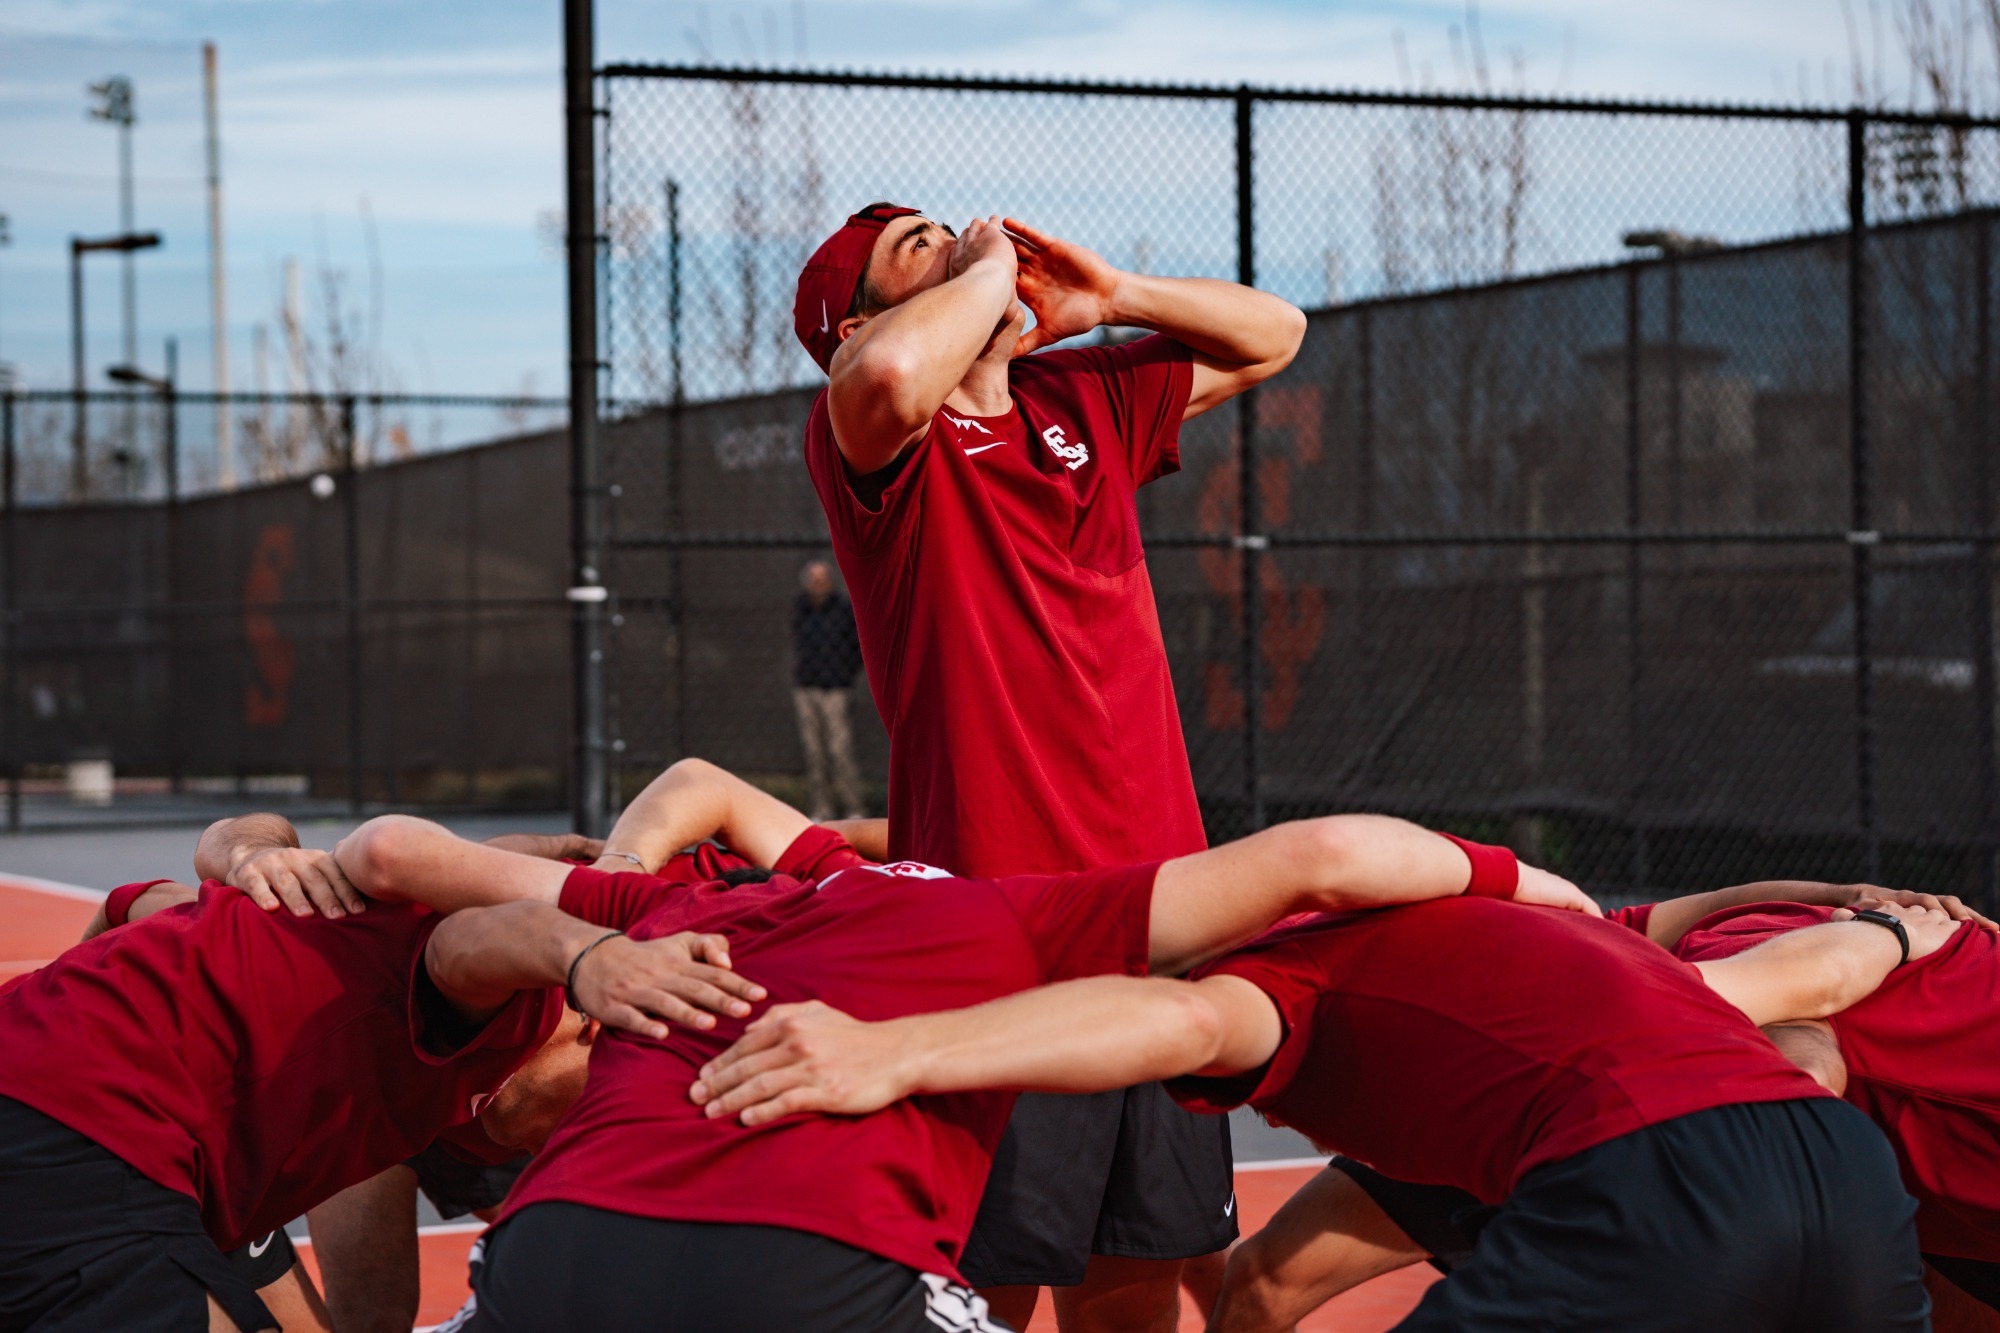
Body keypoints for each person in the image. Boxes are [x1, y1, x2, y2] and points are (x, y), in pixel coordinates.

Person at [352, 798, 1590, 1329]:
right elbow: (1325, 853)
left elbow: (399, 854)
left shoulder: (679, 902)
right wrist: (1538, 885)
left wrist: (580, 956)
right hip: (810, 1273)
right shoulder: (1004, 914)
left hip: (562, 1252)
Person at [796, 200, 1306, 1329]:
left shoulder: (1081, 398)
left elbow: (1276, 332)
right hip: (999, 929)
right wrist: (979, 277)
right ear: (857, 322)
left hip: (1161, 915)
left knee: (1137, 1273)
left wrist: (1110, 295)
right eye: (911, 249)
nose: (956, 236)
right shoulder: (876, 435)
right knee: (989, 1286)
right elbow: (882, 378)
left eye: (944, 228)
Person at [694, 894, 1955, 1332]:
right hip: (1835, 1171)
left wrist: (895, 1047)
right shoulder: (1538, 934)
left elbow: (1180, 1025)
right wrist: (1889, 925)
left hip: (1649, 1174)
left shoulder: (1289, 968)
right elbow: (1807, 986)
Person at [0, 811, 757, 1332]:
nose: (560, 1149)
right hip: (95, 1135)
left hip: (110, 1136)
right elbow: (471, 941)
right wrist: (587, 956)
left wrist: (244, 848)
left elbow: (132, 904)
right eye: (601, 1110)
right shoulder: (518, 1001)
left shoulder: (324, 923)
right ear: (595, 1020)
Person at [792, 557, 868, 822]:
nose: (817, 584)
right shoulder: (801, 609)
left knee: (839, 750)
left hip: (836, 688)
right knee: (814, 753)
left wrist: (845, 673)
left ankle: (853, 808)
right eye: (813, 579)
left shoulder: (843, 611)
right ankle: (821, 809)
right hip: (807, 687)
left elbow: (858, 649)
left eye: (822, 579)